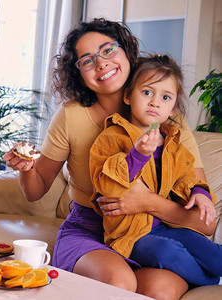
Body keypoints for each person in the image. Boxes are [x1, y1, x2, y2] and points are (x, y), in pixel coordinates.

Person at [3, 18, 216, 300]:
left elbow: (206, 223)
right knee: (120, 281)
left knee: (160, 290)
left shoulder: (167, 117)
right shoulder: (71, 115)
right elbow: (34, 190)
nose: (101, 63)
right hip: (89, 230)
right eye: (87, 60)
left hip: (153, 230)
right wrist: (27, 168)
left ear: (127, 51)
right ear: (78, 73)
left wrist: (147, 202)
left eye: (108, 50)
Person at [89, 54, 221, 286]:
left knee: (213, 253)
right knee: (166, 251)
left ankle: (210, 270)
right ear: (129, 96)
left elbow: (187, 177)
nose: (155, 102)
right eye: (147, 92)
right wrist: (137, 155)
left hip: (169, 226)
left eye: (166, 97)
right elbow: (106, 184)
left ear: (172, 109)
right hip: (131, 235)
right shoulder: (112, 136)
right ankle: (209, 282)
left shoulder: (173, 144)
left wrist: (201, 193)